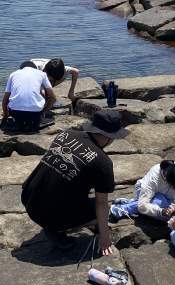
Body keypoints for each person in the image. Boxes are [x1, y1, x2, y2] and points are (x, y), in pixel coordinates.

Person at [22, 109, 128, 256]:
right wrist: (105, 238)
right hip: (48, 215)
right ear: (109, 137)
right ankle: (55, 228)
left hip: (28, 199)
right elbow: (101, 203)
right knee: (102, 209)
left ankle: (53, 220)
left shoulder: (66, 134)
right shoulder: (103, 162)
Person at [110, 159, 175, 222]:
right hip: (145, 192)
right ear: (169, 183)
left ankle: (132, 202)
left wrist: (174, 206)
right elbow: (142, 206)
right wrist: (161, 211)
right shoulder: (154, 178)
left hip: (168, 199)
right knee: (162, 209)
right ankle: (120, 209)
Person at [3, 62, 58, 132]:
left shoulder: (13, 74)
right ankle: (34, 123)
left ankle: (19, 123)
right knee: (42, 115)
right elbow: (53, 98)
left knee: (16, 110)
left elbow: (5, 101)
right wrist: (44, 111)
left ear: (21, 69)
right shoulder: (42, 74)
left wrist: (6, 116)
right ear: (35, 68)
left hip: (16, 113)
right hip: (35, 113)